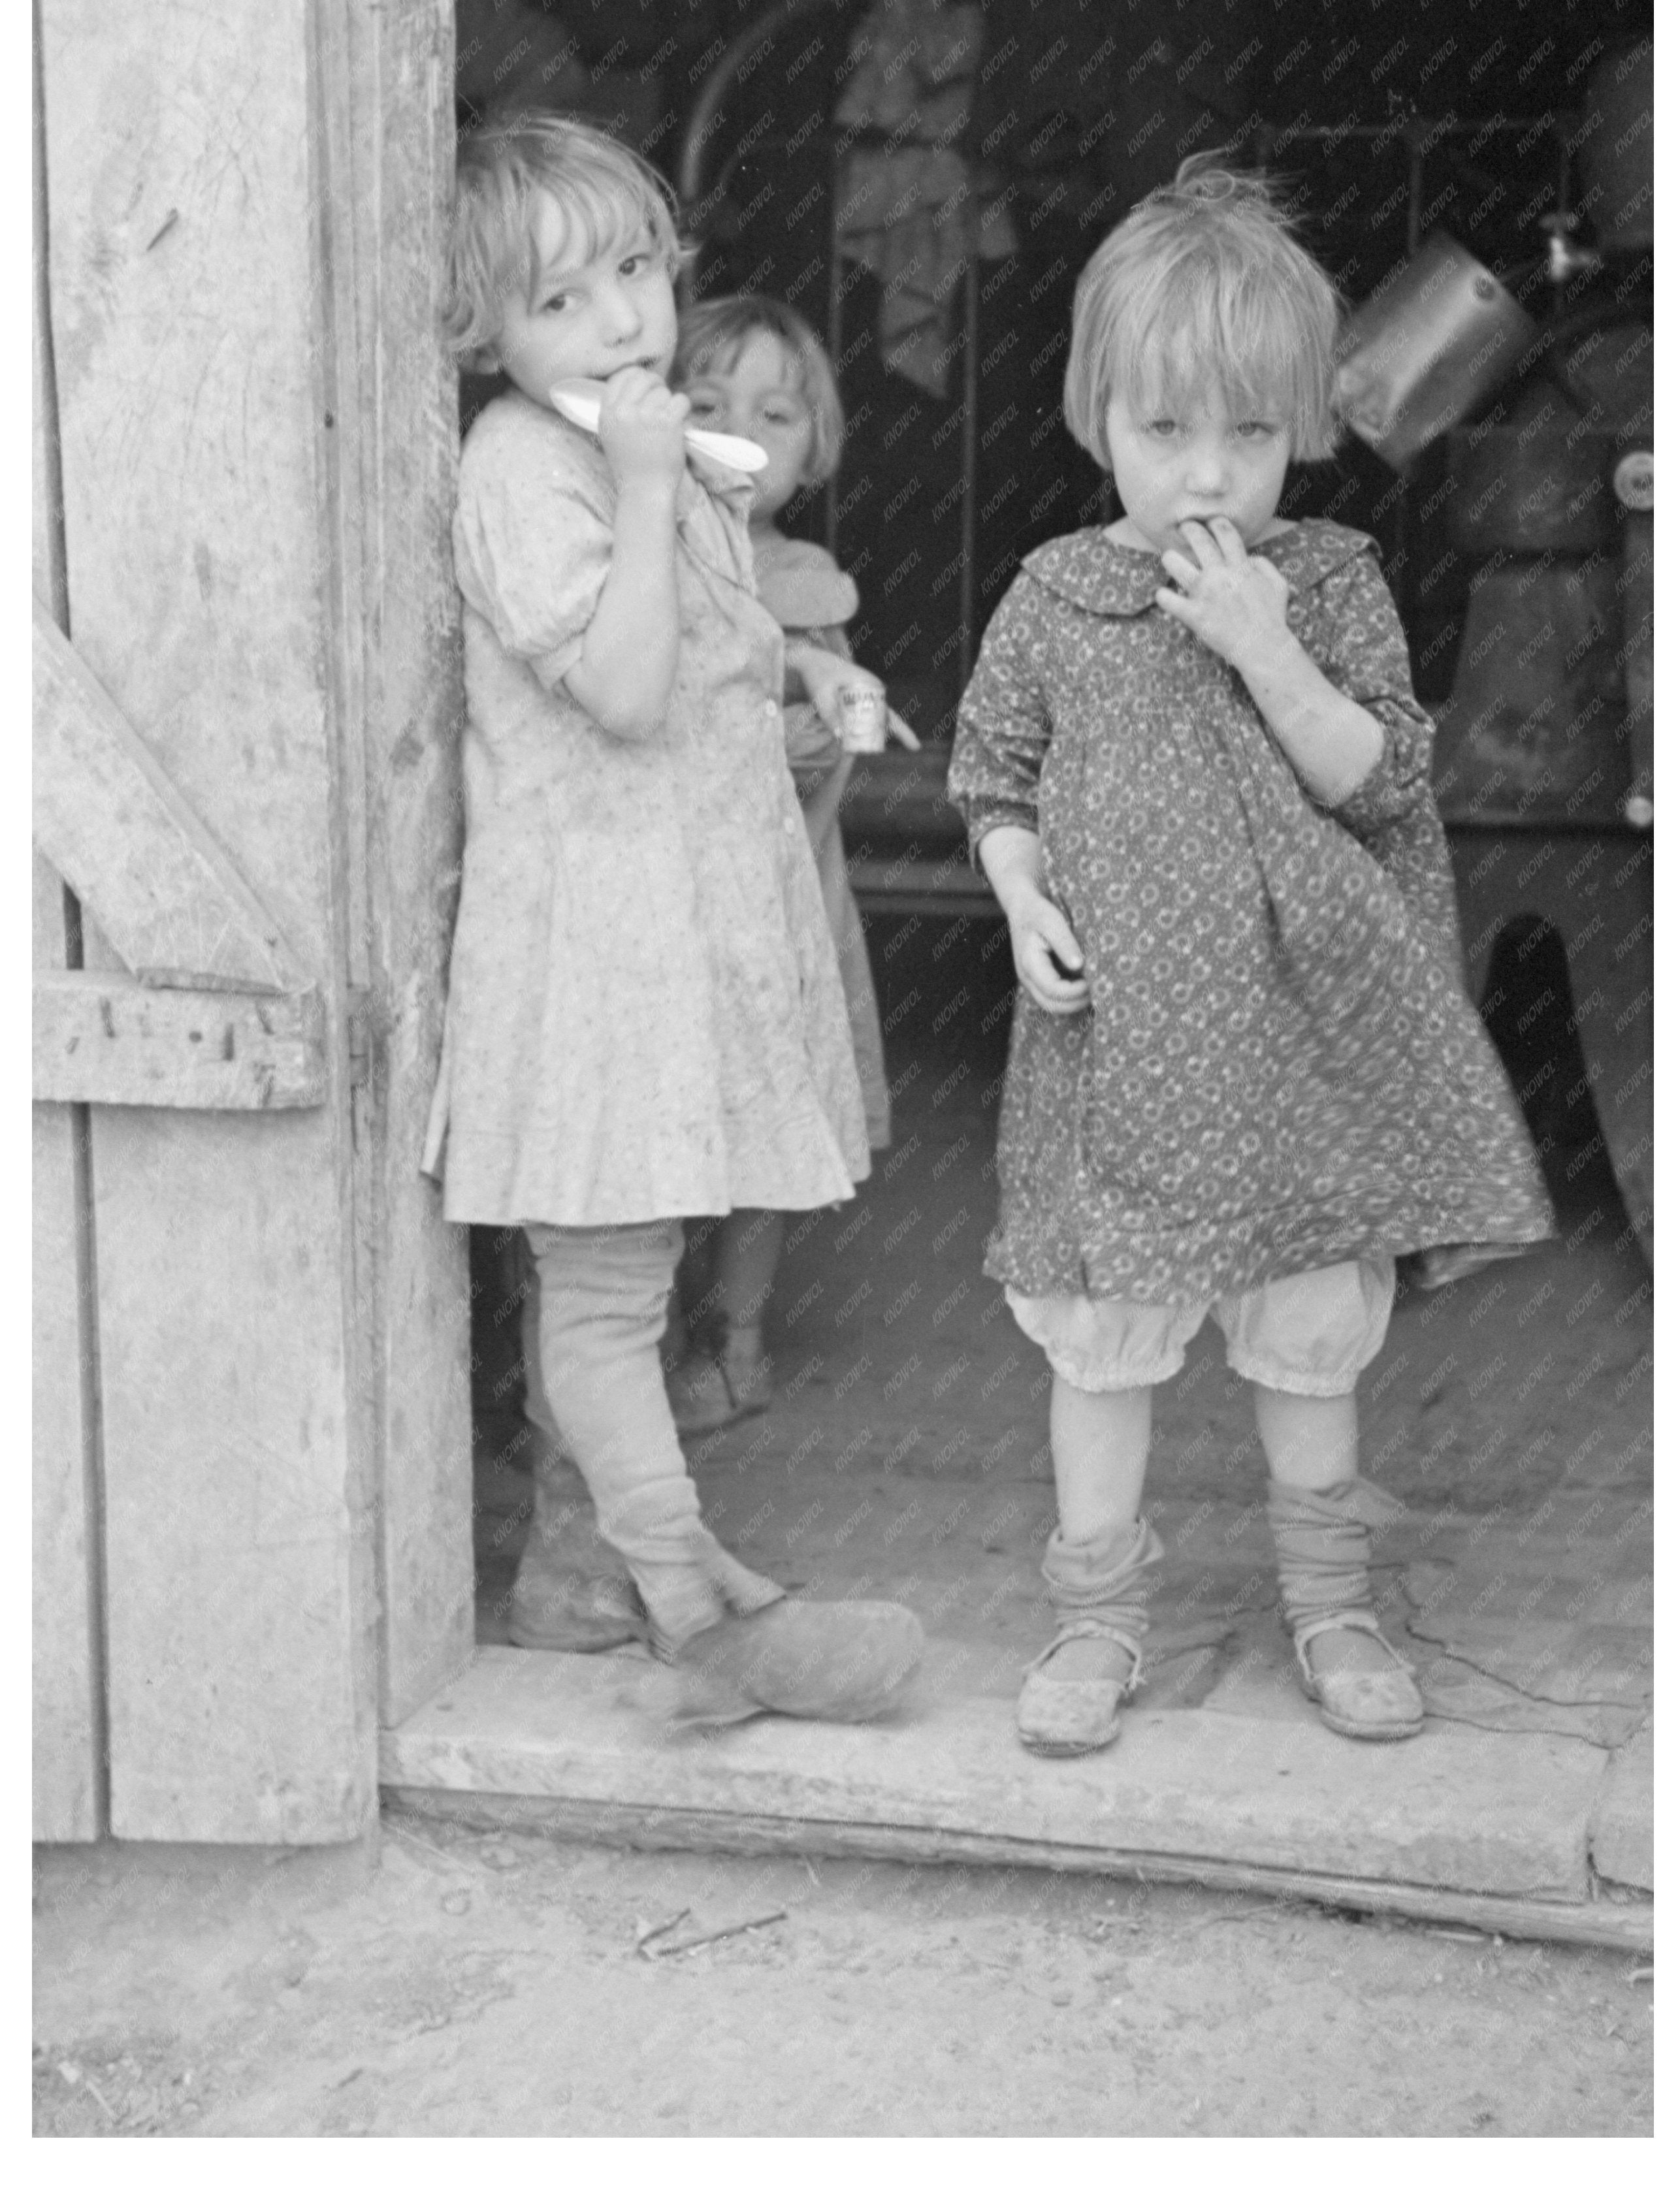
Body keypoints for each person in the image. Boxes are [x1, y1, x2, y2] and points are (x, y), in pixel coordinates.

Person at [946, 157, 1554, 1759]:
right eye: (1166, 434)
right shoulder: (1056, 603)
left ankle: (1333, 1602)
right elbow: (991, 779)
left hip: (1293, 1058)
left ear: (1306, 428)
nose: (1209, 478)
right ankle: (1094, 1624)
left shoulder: (1332, 584)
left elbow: (1382, 778)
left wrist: (1262, 642)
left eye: (1252, 436)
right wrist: (1021, 893)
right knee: (1104, 1340)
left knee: (1304, 1339)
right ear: (1096, 422)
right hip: (1122, 1062)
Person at [423, 112, 920, 1726]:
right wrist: (644, 487)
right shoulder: (522, 468)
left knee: (626, 1282)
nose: (624, 319)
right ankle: (691, 1598)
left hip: (678, 933)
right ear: (481, 330)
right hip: (594, 954)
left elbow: (705, 643)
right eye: (561, 300)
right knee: (604, 1295)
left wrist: (804, 663)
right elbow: (624, 689)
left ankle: (616, 1579)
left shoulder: (644, 450)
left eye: (633, 269)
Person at [662, 294, 894, 1432]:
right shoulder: (637, 545)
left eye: (775, 414)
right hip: (667, 917)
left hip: (776, 909)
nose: (738, 433)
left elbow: (813, 754)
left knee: (760, 1132)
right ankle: (637, 1346)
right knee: (662, 1134)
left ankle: (737, 1339)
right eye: (704, 405)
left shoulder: (801, 581)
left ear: (817, 448)